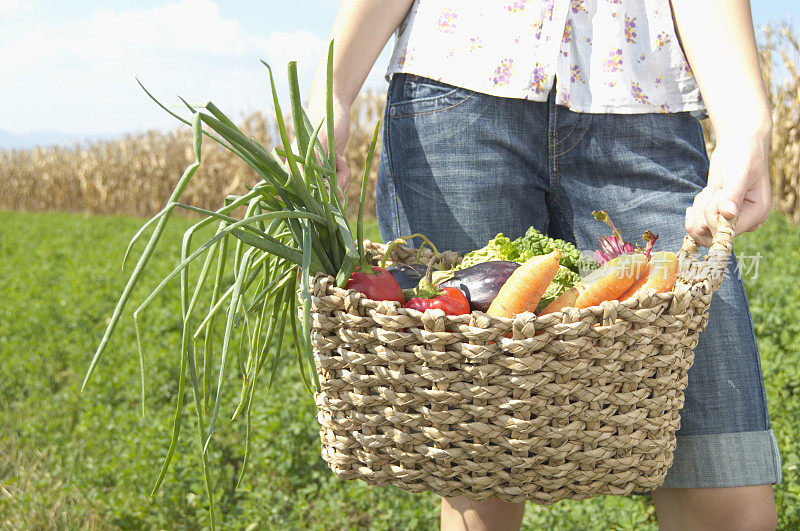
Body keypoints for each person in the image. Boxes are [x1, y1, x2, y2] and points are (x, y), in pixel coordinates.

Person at [307, 1, 782, 529]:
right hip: (459, 84)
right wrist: (334, 87)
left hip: (643, 96)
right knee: (480, 480)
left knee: (727, 490)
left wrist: (746, 124)